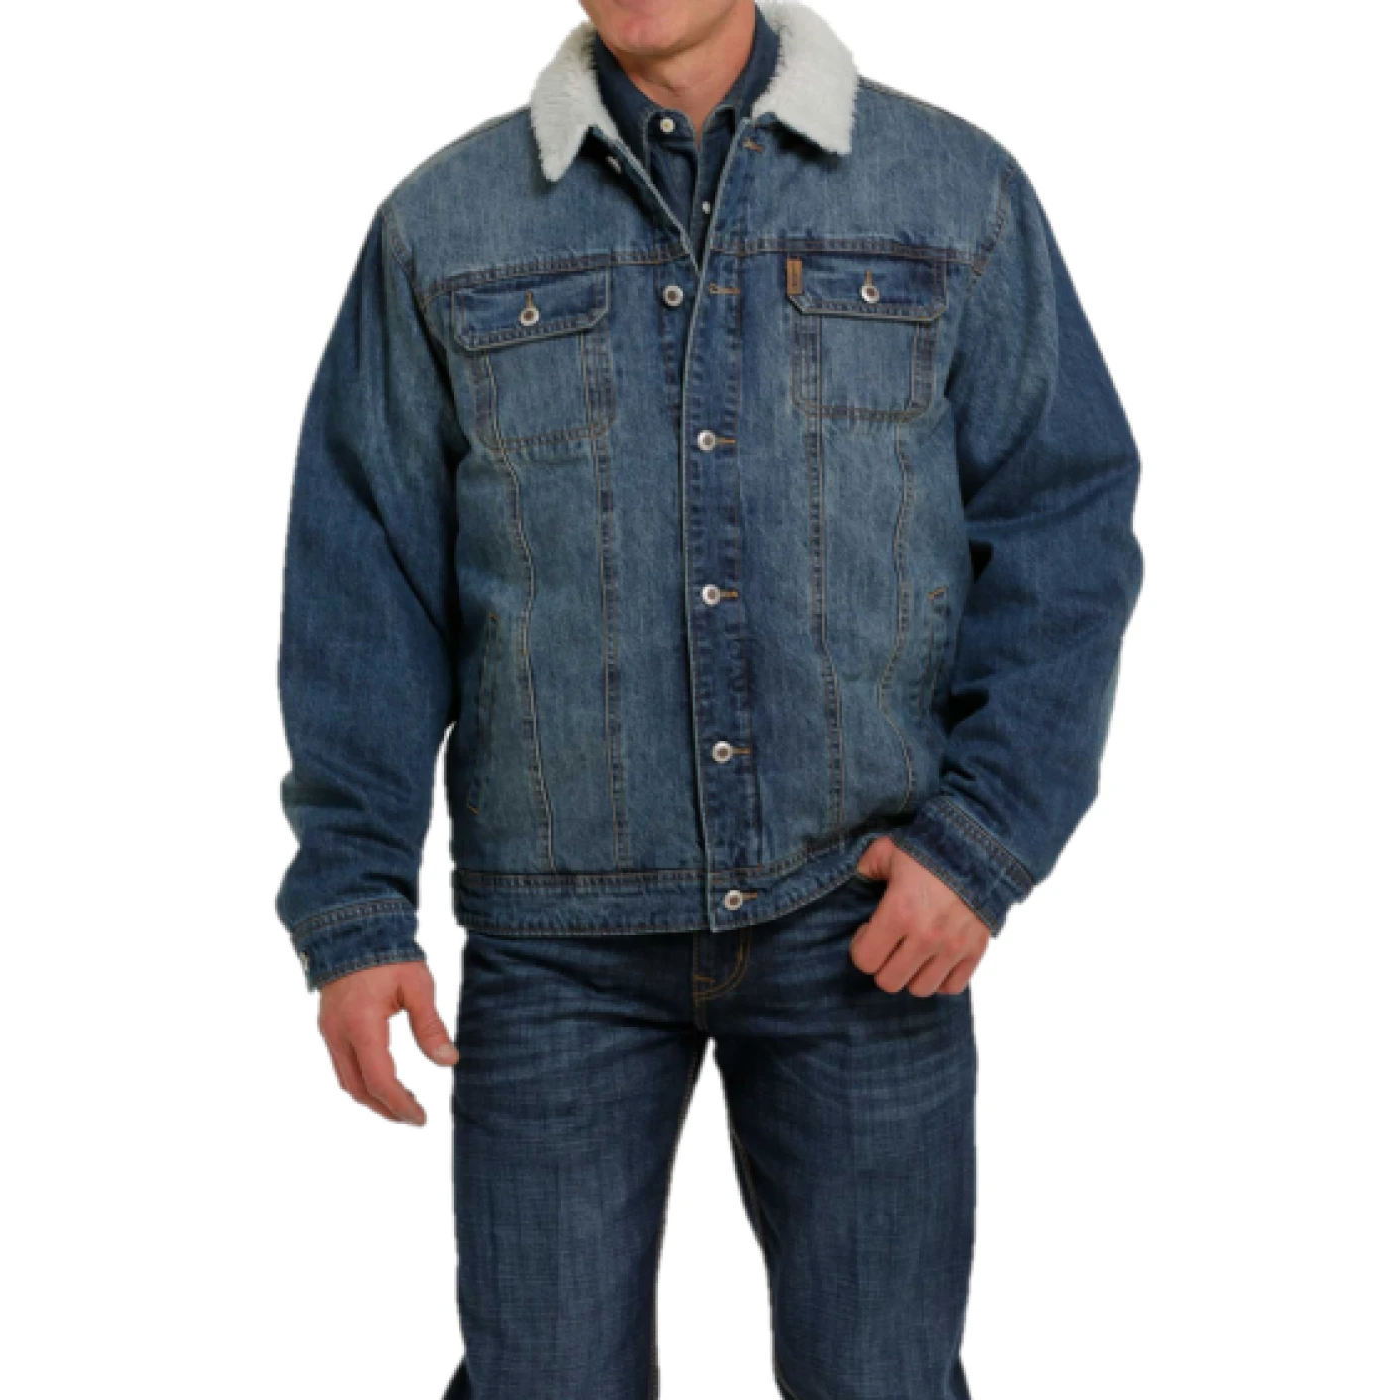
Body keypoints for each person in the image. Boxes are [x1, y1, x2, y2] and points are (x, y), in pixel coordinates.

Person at [275, 1, 1144, 1394]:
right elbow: (364, 582)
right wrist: (354, 906)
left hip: (863, 918)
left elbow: (1063, 528)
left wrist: (984, 843)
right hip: (557, 941)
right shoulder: (444, 226)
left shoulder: (951, 192)